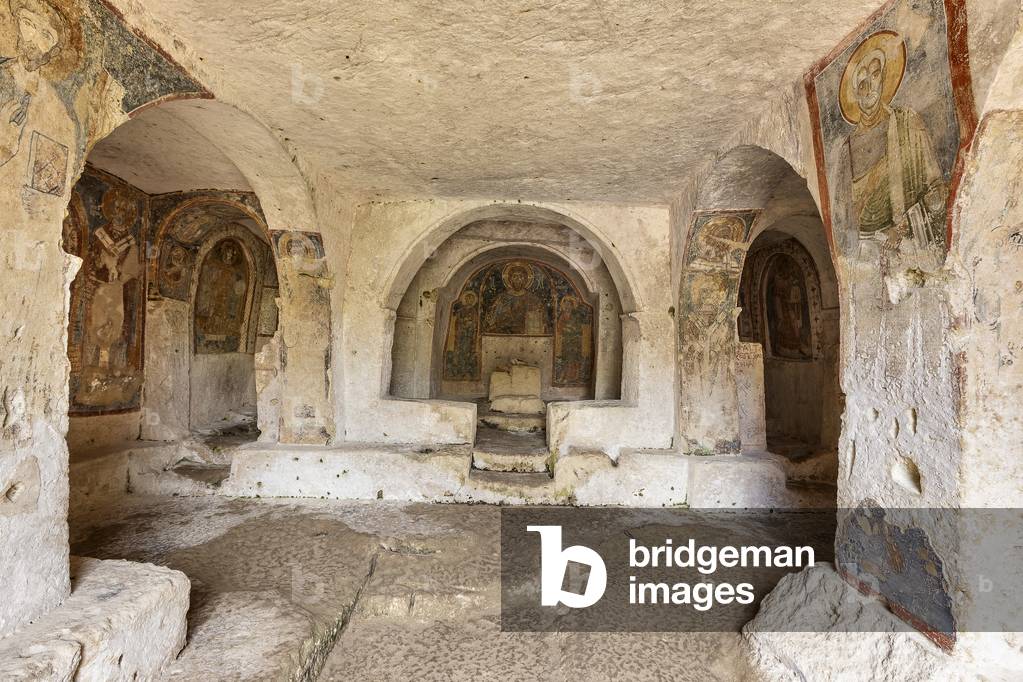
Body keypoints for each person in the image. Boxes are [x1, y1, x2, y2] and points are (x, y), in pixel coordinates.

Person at [838, 31, 947, 258]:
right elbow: (842, 219)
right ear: (855, 93)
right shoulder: (845, 151)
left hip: (906, 247)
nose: (868, 86)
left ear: (885, 78)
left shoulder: (907, 122)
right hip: (863, 254)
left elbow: (938, 189)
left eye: (875, 75)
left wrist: (903, 227)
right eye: (862, 82)